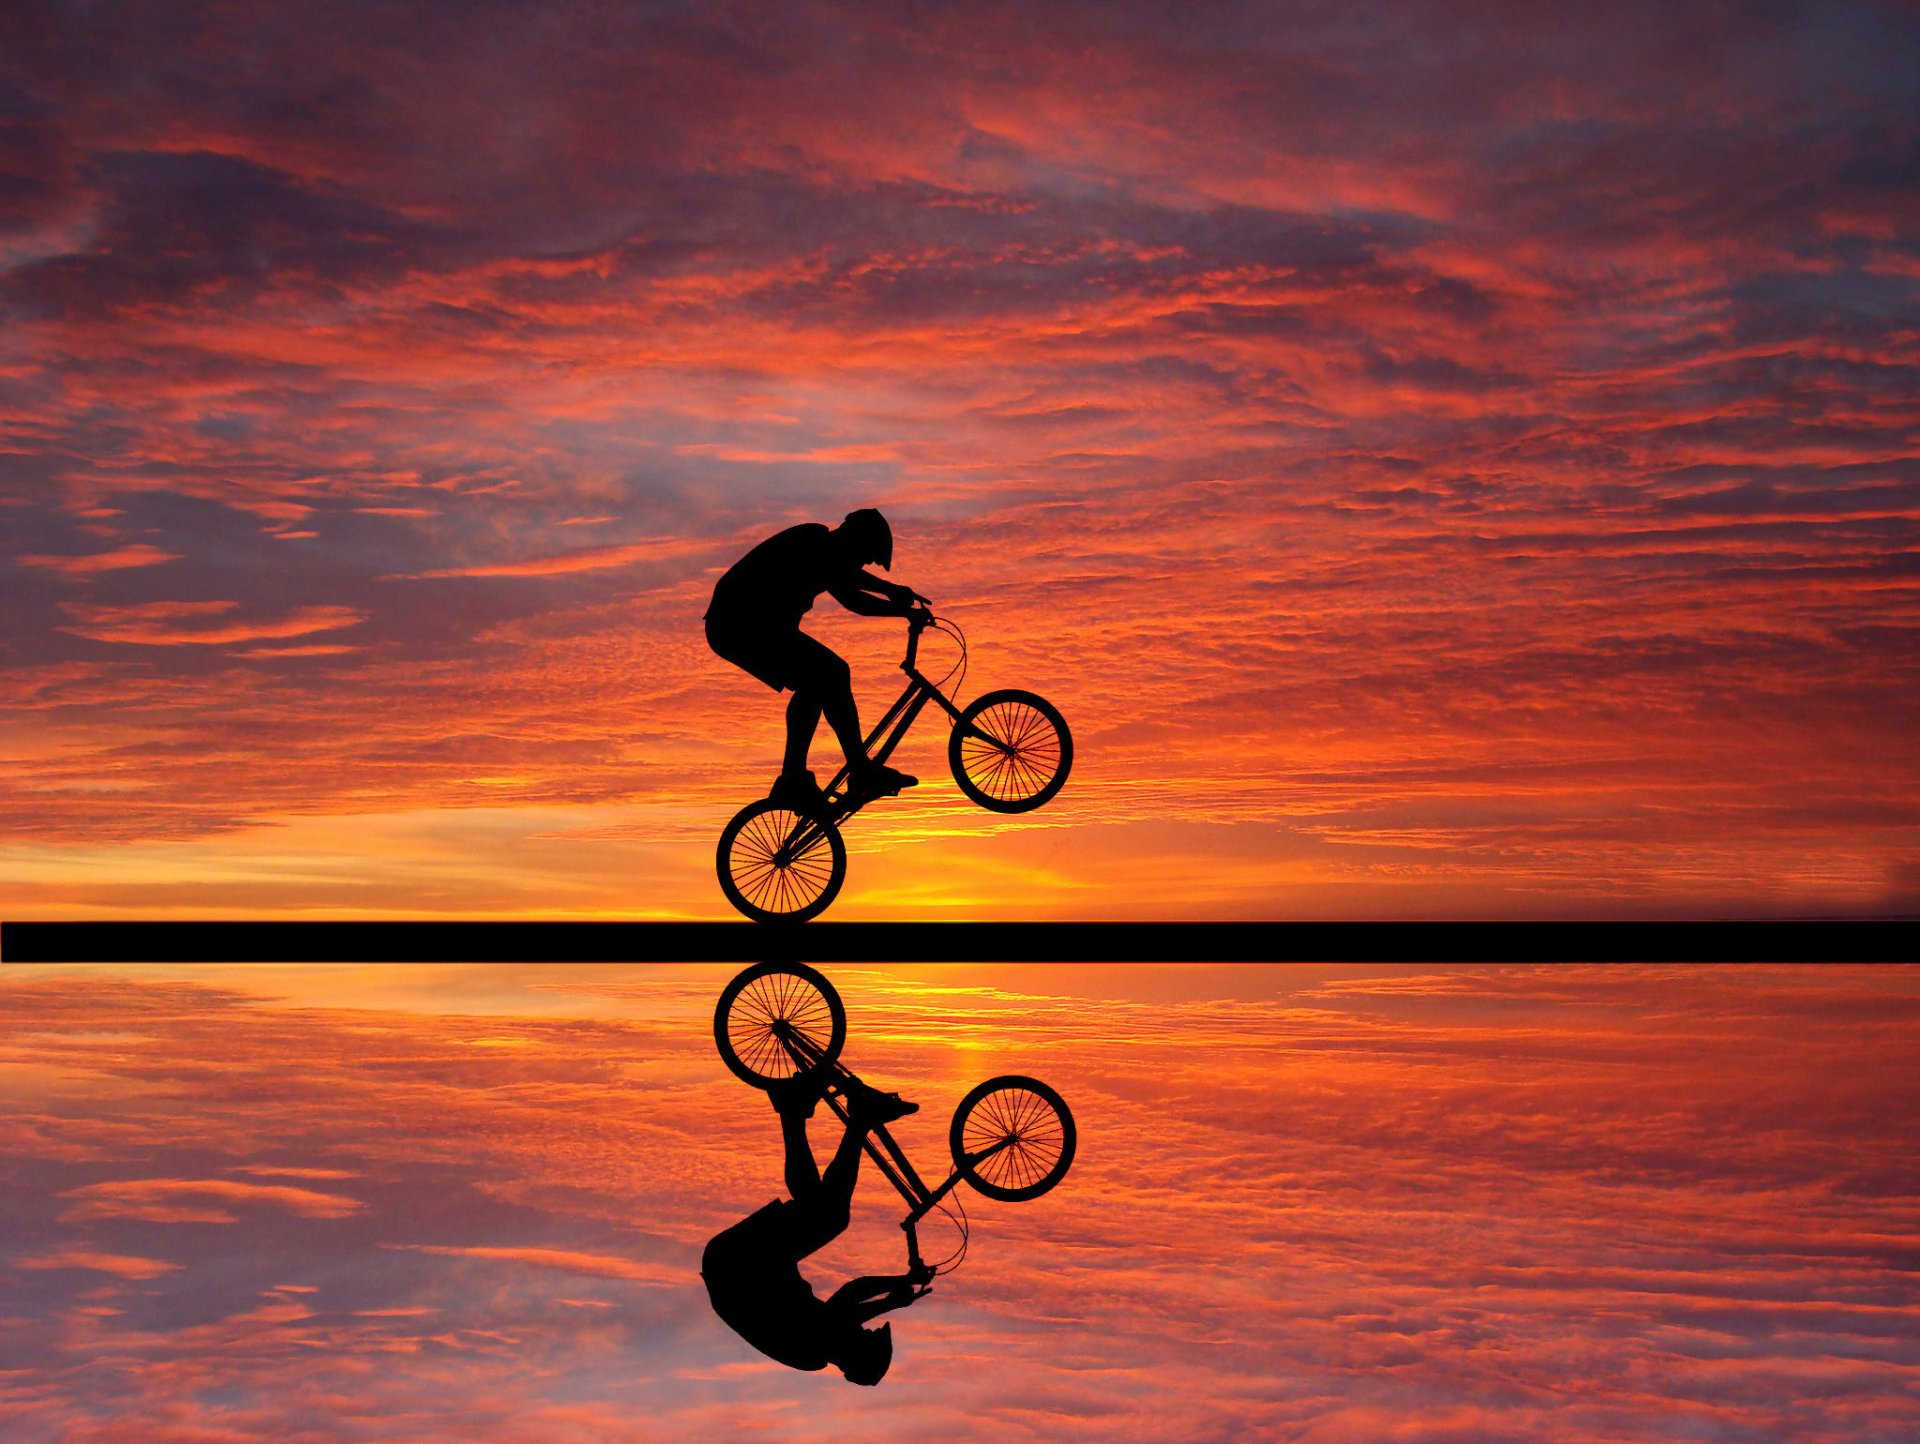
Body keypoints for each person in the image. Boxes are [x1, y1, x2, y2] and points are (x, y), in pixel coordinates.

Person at [702, 1074, 935, 1386]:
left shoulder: (814, 1350)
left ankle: (828, 1115)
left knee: (826, 1216)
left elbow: (850, 1297)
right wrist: (891, 1300)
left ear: (856, 1353)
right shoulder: (821, 1345)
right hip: (742, 1266)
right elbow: (846, 1315)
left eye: (867, 1336)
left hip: (738, 1266)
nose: (865, 1329)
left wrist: (901, 1286)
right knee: (823, 1209)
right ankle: (812, 1113)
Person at [705, 508, 930, 814]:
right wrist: (902, 607)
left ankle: (799, 777)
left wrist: (892, 592)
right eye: (865, 555)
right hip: (739, 625)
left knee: (820, 680)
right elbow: (853, 596)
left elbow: (846, 578)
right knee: (831, 672)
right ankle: (840, 772)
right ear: (854, 539)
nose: (862, 563)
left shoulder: (827, 551)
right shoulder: (815, 541)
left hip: (749, 626)